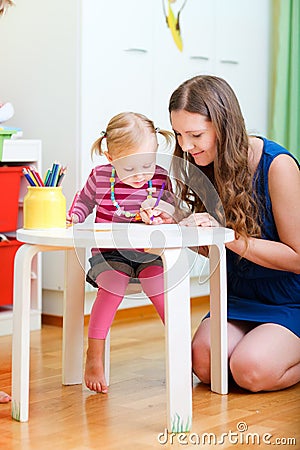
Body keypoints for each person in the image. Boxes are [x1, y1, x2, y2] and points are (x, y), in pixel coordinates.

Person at [165, 75, 300, 392]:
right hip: (237, 296)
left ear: (224, 127)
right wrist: (179, 224)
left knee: (249, 370)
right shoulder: (204, 162)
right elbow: (218, 247)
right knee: (204, 363)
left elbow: (297, 258)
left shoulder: (277, 166)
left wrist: (228, 236)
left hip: (288, 298)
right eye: (179, 134)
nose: (186, 146)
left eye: (196, 134)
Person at [69, 112, 175, 394]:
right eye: (130, 168)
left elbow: (172, 208)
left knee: (163, 291)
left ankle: (181, 355)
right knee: (112, 287)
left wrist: (162, 213)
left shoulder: (161, 178)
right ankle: (94, 355)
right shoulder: (100, 178)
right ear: (110, 156)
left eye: (147, 164)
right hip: (109, 255)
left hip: (148, 254)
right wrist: (75, 217)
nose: (141, 174)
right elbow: (82, 203)